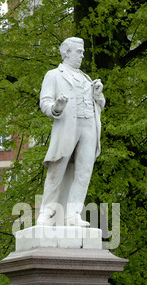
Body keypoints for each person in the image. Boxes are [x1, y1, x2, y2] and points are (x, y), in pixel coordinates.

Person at [37, 37, 105, 227]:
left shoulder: (86, 78)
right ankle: (47, 212)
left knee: (84, 172)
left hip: (89, 127)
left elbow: (100, 104)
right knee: (57, 169)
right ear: (66, 52)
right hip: (68, 127)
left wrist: (98, 94)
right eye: (78, 52)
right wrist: (57, 107)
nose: (82, 55)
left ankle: (73, 214)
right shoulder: (54, 75)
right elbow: (45, 102)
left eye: (83, 52)